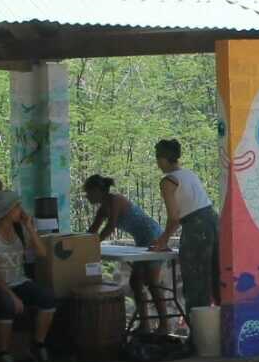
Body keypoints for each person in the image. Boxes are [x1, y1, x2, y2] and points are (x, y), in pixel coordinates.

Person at [0, 190, 57, 362]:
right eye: (17, 207)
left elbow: (42, 253)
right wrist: (11, 295)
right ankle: (4, 352)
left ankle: (38, 344)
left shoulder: (20, 229)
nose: (21, 210)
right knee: (7, 304)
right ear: (7, 211)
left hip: (18, 281)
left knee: (47, 297)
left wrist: (30, 227)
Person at [150, 138, 217, 325]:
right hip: (213, 223)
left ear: (163, 159)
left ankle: (198, 336)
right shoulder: (189, 174)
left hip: (196, 228)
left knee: (195, 282)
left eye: (157, 158)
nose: (157, 163)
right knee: (216, 278)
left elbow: (174, 217)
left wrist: (162, 241)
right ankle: (216, 333)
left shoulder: (168, 181)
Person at [84, 174, 165, 330]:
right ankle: (145, 324)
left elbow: (110, 227)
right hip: (142, 241)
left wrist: (93, 245)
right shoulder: (102, 209)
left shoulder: (115, 200)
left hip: (154, 237)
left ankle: (165, 325)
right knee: (136, 282)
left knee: (152, 282)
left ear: (97, 191)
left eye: (88, 192)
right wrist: (81, 243)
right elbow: (92, 230)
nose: (87, 196)